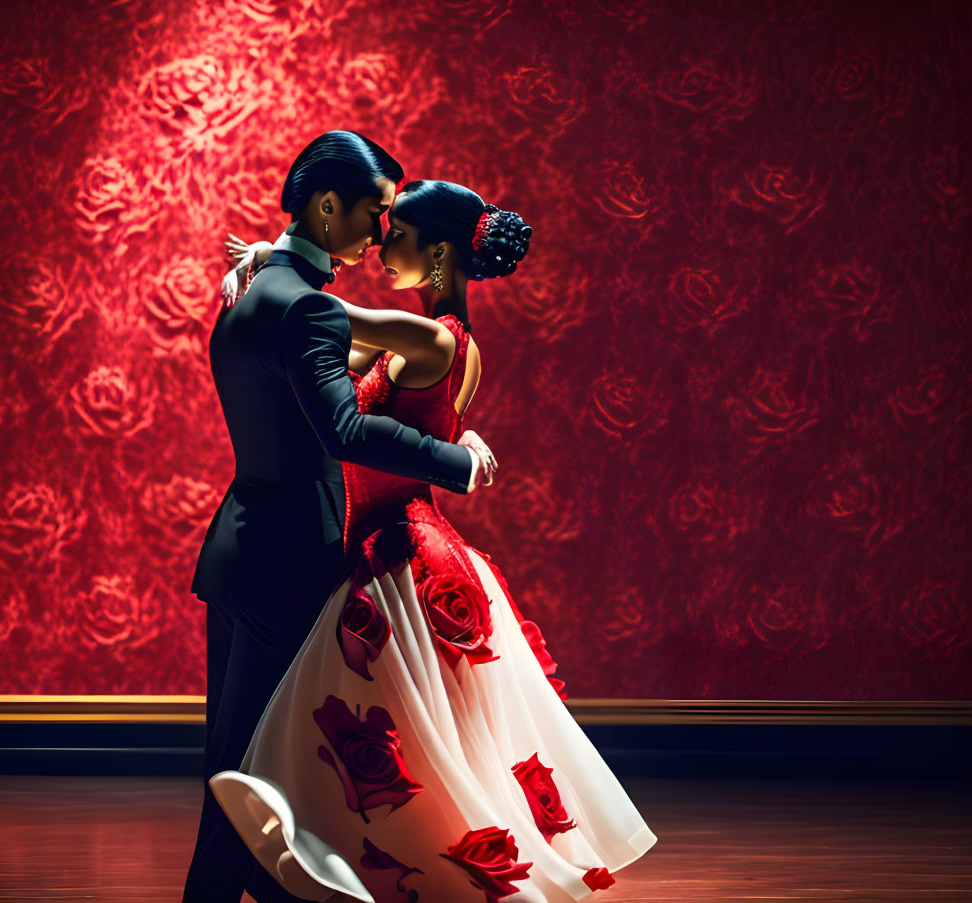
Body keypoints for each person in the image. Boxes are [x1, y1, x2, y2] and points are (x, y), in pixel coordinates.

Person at [209, 181, 657, 903]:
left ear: (438, 253)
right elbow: (336, 352)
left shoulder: (429, 336)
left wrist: (271, 258)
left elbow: (321, 316)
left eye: (398, 237)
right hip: (398, 541)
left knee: (388, 740)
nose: (382, 247)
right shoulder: (451, 343)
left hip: (397, 553)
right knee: (415, 739)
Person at [183, 139, 500, 903]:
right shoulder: (306, 303)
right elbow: (345, 433)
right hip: (291, 562)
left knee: (243, 767)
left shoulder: (255, 291)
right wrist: (455, 462)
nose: (380, 231)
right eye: (372, 211)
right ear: (329, 207)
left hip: (237, 549)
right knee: (252, 769)